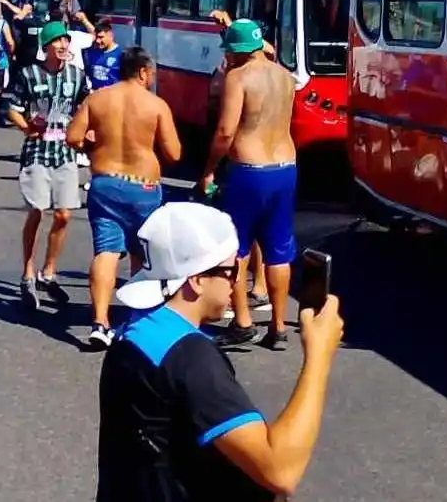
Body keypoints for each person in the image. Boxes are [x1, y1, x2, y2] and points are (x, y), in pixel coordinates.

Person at [97, 201, 344, 501]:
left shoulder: (134, 333)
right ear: (197, 280)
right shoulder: (190, 357)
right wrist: (318, 355)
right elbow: (280, 471)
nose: (237, 281)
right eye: (231, 270)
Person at [68, 46, 181, 350]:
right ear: (143, 72)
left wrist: (94, 146)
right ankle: (138, 319)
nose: (153, 79)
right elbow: (174, 153)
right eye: (152, 74)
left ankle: (100, 323)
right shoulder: (156, 106)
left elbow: (73, 137)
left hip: (105, 184)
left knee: (106, 252)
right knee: (140, 254)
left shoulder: (97, 99)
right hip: (143, 186)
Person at [200, 19, 298, 350]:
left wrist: (209, 169)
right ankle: (279, 326)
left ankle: (242, 322)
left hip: (249, 170)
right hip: (286, 166)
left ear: (237, 52)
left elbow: (226, 131)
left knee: (236, 248)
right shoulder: (285, 76)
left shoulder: (238, 78)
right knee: (278, 249)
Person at [6, 21, 89, 311]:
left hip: (64, 151)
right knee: (38, 210)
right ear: (46, 46)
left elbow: (85, 108)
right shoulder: (28, 74)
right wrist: (28, 128)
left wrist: (85, 132)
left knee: (64, 214)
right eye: (58, 41)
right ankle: (28, 272)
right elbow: (13, 109)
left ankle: (49, 272)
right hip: (37, 150)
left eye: (66, 41)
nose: (64, 45)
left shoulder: (77, 76)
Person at [83, 18, 123, 89]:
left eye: (101, 37)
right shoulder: (92, 53)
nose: (98, 41)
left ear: (111, 35)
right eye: (97, 37)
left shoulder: (121, 55)